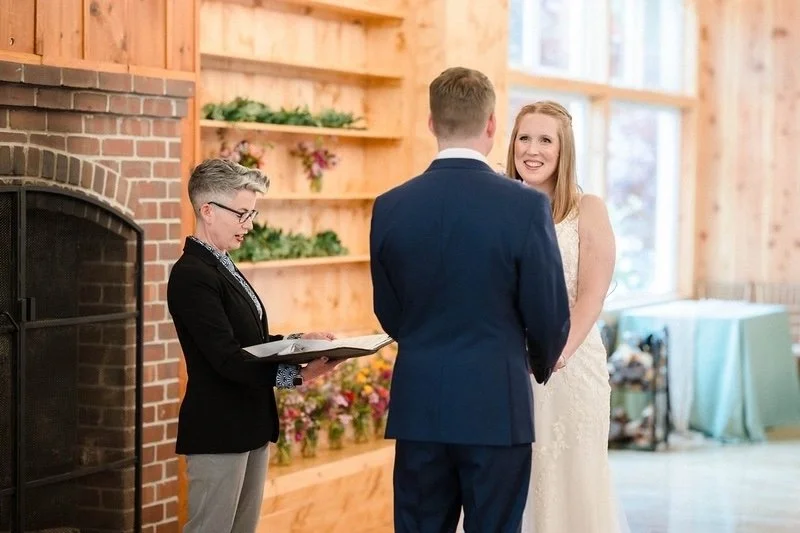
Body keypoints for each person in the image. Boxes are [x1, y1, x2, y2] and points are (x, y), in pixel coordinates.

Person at [369, 67, 571, 533]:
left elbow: (389, 309)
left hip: (420, 406)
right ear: (493, 125)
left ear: (431, 123)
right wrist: (535, 363)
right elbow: (548, 311)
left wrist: (425, 340)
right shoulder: (524, 205)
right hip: (496, 405)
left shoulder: (391, 205)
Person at [167, 158, 341, 533]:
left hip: (250, 426)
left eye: (253, 214)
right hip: (219, 430)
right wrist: (295, 374)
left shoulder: (223, 265)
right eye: (242, 214)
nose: (249, 225)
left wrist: (299, 342)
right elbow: (227, 359)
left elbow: (254, 344)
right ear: (208, 211)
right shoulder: (191, 275)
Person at [506, 102, 630, 533]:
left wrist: (555, 353)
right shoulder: (500, 204)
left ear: (564, 150)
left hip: (570, 364)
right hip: (507, 367)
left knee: (571, 477)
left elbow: (591, 297)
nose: (532, 149)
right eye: (524, 137)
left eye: (545, 140)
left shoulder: (586, 208)